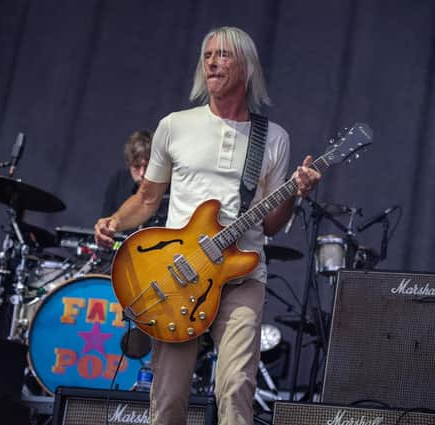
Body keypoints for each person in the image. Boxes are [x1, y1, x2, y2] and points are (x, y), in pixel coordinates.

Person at [94, 26, 321, 425]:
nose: (213, 62)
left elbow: (269, 225)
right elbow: (147, 198)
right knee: (168, 398)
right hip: (180, 276)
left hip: (240, 279)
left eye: (224, 55)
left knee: (235, 387)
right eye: (208, 55)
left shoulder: (273, 139)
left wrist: (294, 194)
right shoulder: (175, 125)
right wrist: (115, 220)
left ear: (247, 67)